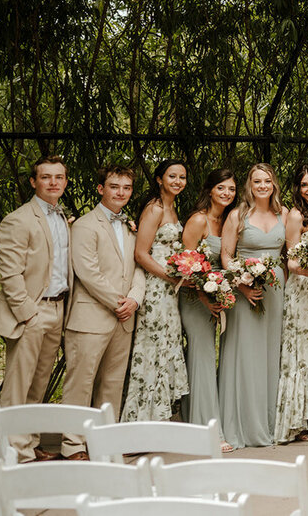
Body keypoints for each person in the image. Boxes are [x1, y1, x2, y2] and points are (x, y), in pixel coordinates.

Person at [0, 155, 73, 462]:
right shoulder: (18, 219)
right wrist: (28, 314)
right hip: (32, 312)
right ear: (34, 182)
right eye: (46, 177)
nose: (53, 182)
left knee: (38, 384)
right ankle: (12, 451)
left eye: (59, 177)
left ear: (65, 181)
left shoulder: (62, 217)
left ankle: (28, 444)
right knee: (18, 386)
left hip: (58, 308)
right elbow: (9, 274)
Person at [60, 164, 144, 459]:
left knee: (112, 384)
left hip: (124, 317)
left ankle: (104, 442)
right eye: (114, 186)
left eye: (126, 188)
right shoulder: (85, 225)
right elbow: (87, 271)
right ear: (100, 189)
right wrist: (118, 302)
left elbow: (139, 265)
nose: (121, 192)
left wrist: (134, 299)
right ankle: (72, 445)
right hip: (91, 317)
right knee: (80, 383)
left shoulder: (131, 227)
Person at [218, 163, 287, 449]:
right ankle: (241, 425)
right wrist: (242, 285)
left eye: (267, 181)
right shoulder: (237, 215)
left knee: (271, 354)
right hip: (245, 290)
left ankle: (269, 424)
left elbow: (291, 251)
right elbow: (226, 255)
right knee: (245, 354)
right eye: (257, 181)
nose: (262, 186)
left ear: (274, 184)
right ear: (250, 185)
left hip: (276, 291)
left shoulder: (283, 213)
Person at [122, 159, 190, 421]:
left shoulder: (172, 208)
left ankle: (158, 416)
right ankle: (139, 419)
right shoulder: (155, 208)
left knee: (165, 346)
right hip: (156, 289)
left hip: (170, 291)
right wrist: (172, 278)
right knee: (151, 349)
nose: (178, 181)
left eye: (182, 177)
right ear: (160, 179)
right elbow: (141, 254)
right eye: (172, 176)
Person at [179, 168, 237, 451]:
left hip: (215, 296)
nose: (226, 193)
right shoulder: (199, 220)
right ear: (210, 190)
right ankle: (209, 434)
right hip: (195, 298)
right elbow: (184, 264)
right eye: (221, 188)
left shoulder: (226, 221)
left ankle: (194, 423)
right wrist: (204, 296)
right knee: (202, 357)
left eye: (231, 189)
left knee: (205, 358)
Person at [275, 164, 308, 444]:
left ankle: (304, 420)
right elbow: (291, 261)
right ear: (298, 187)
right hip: (301, 289)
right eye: (305, 185)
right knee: (299, 351)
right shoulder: (296, 215)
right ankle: (292, 423)